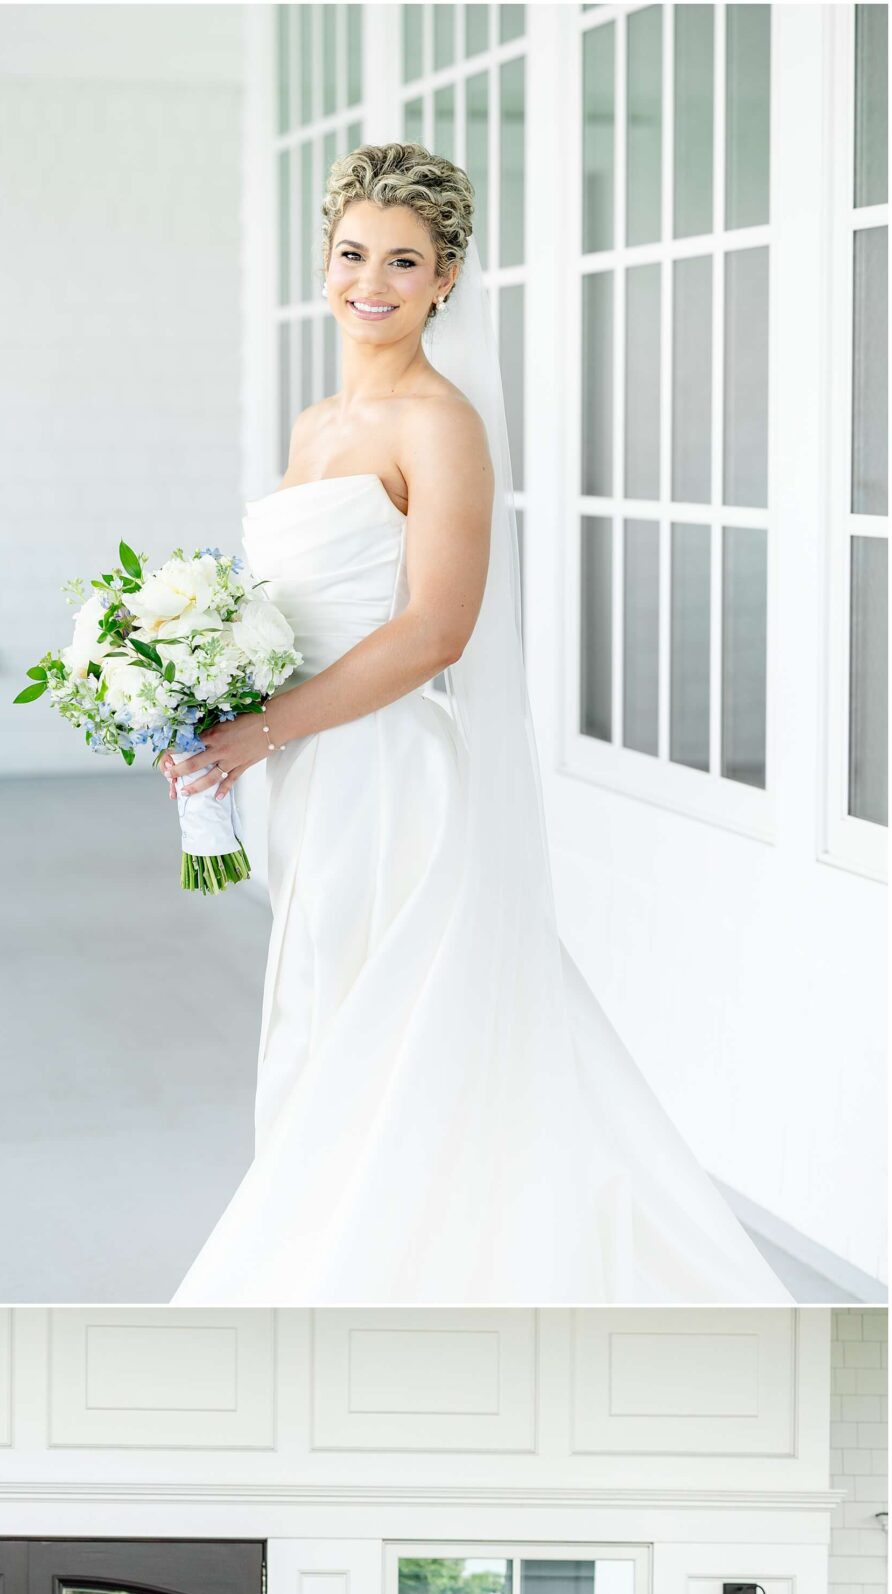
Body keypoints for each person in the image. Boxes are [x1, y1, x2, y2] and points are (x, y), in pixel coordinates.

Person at [165, 142, 788, 1307]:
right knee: (332, 1004)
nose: (374, 282)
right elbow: (296, 615)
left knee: (384, 1026)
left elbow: (434, 632)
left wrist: (259, 730)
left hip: (392, 780)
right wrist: (205, 707)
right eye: (354, 254)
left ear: (446, 277)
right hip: (309, 773)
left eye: (405, 261)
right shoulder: (315, 424)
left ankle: (372, 1282)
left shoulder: (437, 422)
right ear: (326, 258)